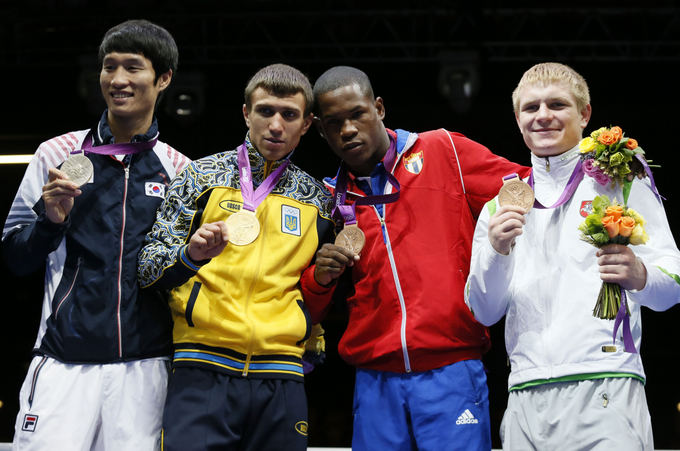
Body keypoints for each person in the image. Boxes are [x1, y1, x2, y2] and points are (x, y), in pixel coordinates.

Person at [301, 65, 530, 451]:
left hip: (452, 367)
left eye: (357, 114)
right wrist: (319, 279)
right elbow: (306, 305)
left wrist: (599, 174)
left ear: (379, 108)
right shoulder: (326, 199)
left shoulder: (444, 150)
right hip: (374, 378)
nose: (348, 130)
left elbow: (528, 188)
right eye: (334, 123)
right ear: (321, 131)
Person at [464, 62, 680, 450]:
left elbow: (674, 285)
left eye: (557, 105)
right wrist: (496, 251)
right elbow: (484, 311)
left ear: (584, 114)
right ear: (517, 120)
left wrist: (641, 275)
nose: (543, 116)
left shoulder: (622, 184)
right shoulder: (499, 208)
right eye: (531, 108)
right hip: (525, 393)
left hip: (606, 382)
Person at [2, 19, 190, 450]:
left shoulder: (182, 170)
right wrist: (51, 221)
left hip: (145, 369)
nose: (118, 79)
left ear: (163, 79)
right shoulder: (54, 155)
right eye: (109, 67)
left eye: (132, 68)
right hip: (63, 362)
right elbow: (14, 258)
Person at [137, 63, 334, 451]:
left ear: (307, 123)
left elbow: (316, 290)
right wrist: (190, 255)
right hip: (201, 366)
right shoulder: (199, 176)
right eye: (265, 111)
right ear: (246, 113)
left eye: (289, 115)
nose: (276, 125)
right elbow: (146, 268)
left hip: (281, 373)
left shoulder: (320, 202)